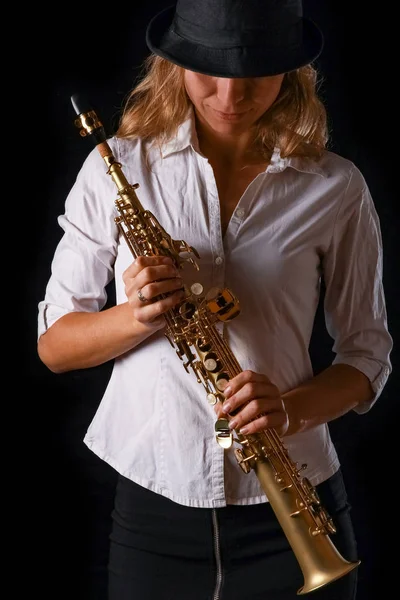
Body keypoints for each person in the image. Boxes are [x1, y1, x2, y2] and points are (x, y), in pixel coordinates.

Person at [37, 1, 393, 598]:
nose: (231, 94)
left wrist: (288, 409)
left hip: (297, 501)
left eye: (256, 69)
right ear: (173, 63)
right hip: (156, 509)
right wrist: (138, 316)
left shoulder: (337, 187)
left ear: (293, 69)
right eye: (210, 69)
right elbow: (54, 348)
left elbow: (367, 359)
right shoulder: (115, 168)